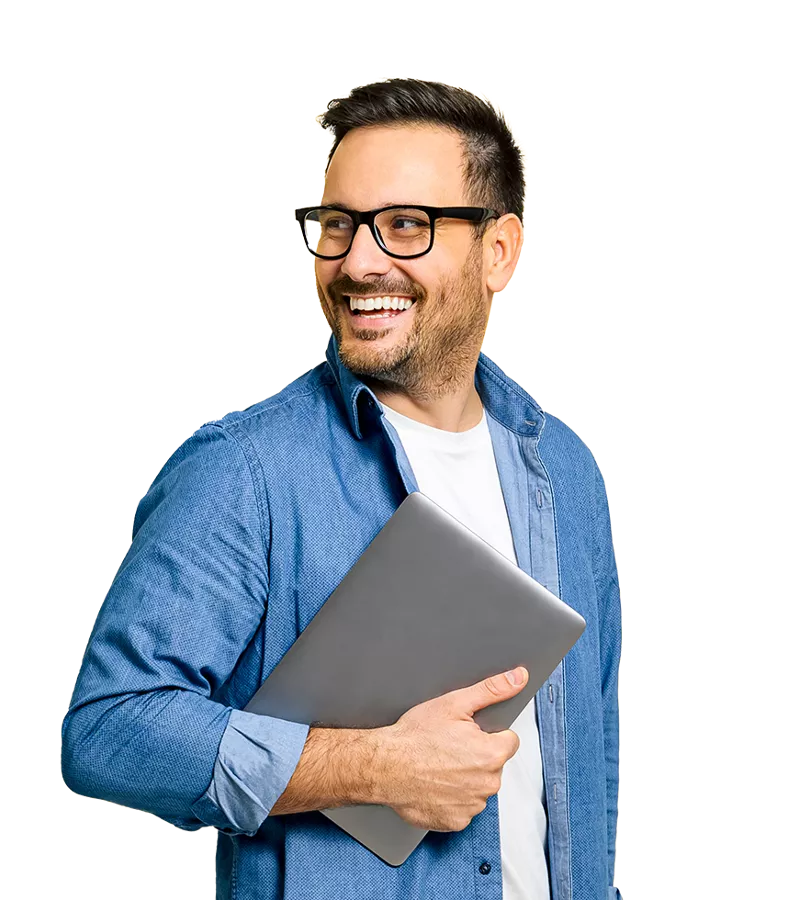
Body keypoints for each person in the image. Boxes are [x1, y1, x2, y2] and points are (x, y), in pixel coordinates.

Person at [61, 77, 622, 900]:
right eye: (336, 225)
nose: (357, 262)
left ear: (499, 251)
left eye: (406, 225)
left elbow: (589, 754)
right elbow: (109, 730)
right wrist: (372, 767)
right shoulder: (244, 469)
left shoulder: (566, 469)